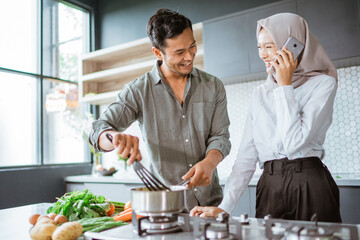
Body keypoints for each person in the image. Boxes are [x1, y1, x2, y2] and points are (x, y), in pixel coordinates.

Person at [190, 12, 342, 222]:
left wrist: (284, 85)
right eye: (260, 47)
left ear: (293, 44)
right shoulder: (259, 93)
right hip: (270, 186)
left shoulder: (323, 83)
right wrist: (224, 207)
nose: (262, 55)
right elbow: (246, 158)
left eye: (270, 46)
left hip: (309, 183)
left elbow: (293, 144)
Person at [89, 8, 231, 210]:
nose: (190, 57)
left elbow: (220, 136)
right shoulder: (138, 90)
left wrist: (210, 163)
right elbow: (97, 130)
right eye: (179, 52)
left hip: (211, 204)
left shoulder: (213, 86)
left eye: (192, 46)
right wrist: (112, 137)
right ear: (157, 52)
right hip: (166, 207)